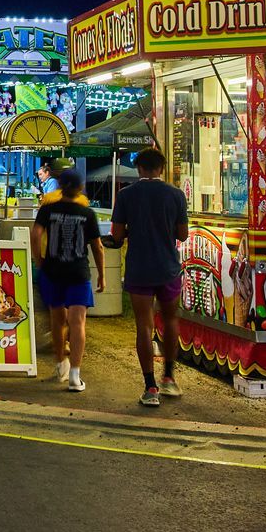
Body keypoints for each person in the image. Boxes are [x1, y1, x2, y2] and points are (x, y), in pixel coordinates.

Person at [108, 147, 189, 406]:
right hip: (168, 268)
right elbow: (183, 234)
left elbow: (117, 235)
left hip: (139, 267)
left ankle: (150, 387)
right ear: (162, 169)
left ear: (139, 168)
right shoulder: (176, 195)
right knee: (170, 320)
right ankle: (169, 378)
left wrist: (133, 231)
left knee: (144, 325)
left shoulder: (126, 195)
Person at [33, 167, 104, 391]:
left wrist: (39, 259)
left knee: (57, 320)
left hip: (53, 270)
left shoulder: (48, 209)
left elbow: (35, 233)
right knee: (77, 322)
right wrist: (102, 274)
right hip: (78, 272)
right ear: (80, 188)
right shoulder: (87, 213)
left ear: (61, 186)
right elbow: (97, 246)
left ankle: (60, 363)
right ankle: (75, 375)